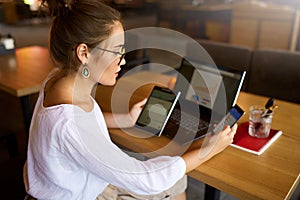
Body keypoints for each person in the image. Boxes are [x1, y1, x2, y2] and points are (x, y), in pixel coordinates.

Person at [23, 0, 237, 199]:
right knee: (174, 178)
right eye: (117, 52)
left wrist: (126, 118)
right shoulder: (70, 123)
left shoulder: (58, 79)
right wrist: (208, 148)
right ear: (84, 52)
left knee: (171, 173)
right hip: (84, 194)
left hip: (73, 181)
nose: (123, 60)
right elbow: (147, 180)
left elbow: (78, 125)